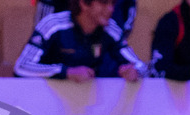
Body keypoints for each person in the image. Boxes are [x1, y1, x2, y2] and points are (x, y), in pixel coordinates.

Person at [14, 0, 144, 81]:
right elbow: (21, 67)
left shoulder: (111, 29)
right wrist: (66, 72)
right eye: (103, 2)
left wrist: (134, 71)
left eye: (112, 3)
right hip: (46, 101)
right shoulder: (53, 25)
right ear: (83, 3)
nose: (110, 9)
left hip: (86, 103)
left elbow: (140, 65)